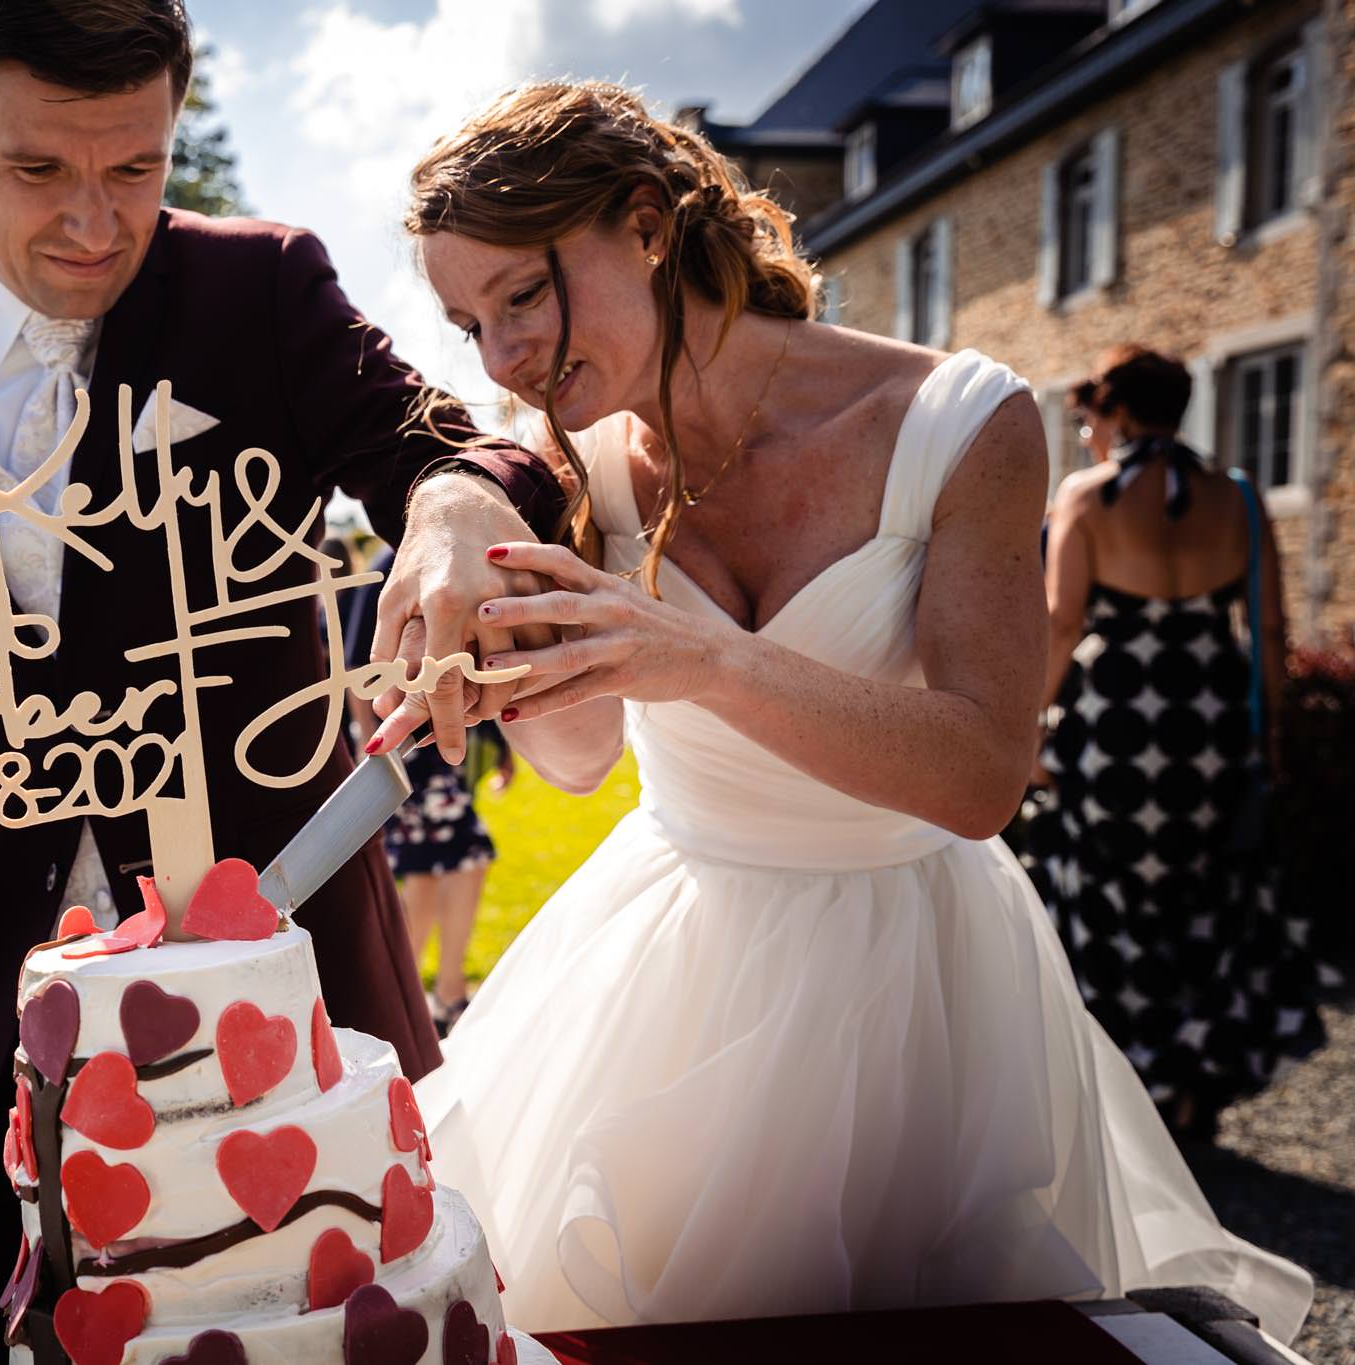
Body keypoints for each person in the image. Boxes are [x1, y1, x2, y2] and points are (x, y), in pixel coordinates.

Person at [384, 82, 1311, 1341]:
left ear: (647, 226)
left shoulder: (958, 421)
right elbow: (577, 760)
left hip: (916, 974)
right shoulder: (578, 456)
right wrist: (510, 670)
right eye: (467, 323)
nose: (502, 360)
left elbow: (983, 773)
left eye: (523, 296)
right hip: (666, 969)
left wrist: (706, 660)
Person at [0, 4, 563, 1356]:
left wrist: (458, 508)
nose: (93, 220)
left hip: (272, 1035)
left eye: (136, 169)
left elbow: (451, 445)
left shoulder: (264, 291)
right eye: (41, 171)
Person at [1023, 345, 1331, 1139]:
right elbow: (1266, 625)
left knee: (1106, 893)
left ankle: (1126, 1089)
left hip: (1118, 722)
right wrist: (1265, 733)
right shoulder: (1237, 495)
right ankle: (1194, 1082)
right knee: (1208, 898)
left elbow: (1061, 624)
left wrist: (1029, 727)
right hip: (1210, 718)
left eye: (1095, 415)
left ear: (1117, 412)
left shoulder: (1086, 497)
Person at [345, 544, 506, 1034]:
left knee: (457, 860)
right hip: (407, 744)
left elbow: (480, 658)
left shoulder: (464, 558)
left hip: (445, 747)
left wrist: (502, 747)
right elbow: (361, 669)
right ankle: (416, 999)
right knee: (431, 868)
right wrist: (372, 751)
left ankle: (437, 994)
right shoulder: (385, 567)